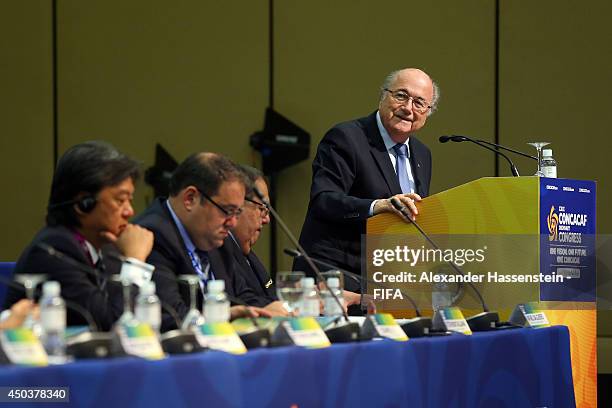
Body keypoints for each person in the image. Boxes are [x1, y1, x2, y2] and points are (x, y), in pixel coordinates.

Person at [295, 68, 439, 300]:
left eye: (419, 103)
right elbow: (324, 200)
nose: (408, 108)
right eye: (401, 96)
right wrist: (377, 206)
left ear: (428, 112)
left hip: (386, 280)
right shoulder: (346, 138)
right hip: (335, 277)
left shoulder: (423, 154)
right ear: (383, 95)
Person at [4, 141, 155, 331]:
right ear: (84, 203)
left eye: (130, 200)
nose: (129, 212)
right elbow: (113, 325)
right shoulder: (54, 250)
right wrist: (135, 262)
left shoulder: (108, 249)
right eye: (120, 200)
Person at [134, 153, 283, 332]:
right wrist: (223, 316)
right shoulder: (154, 235)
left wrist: (271, 309)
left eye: (237, 213)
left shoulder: (215, 236)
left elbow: (241, 296)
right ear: (190, 198)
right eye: (227, 211)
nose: (233, 223)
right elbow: (171, 317)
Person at [220, 165, 277, 303]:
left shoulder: (247, 253)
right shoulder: (219, 250)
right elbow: (244, 302)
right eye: (262, 208)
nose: (267, 219)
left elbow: (270, 296)